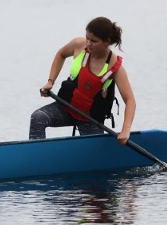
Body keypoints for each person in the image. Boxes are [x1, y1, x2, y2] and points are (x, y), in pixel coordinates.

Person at [29, 16, 136, 145]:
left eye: (94, 41)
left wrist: (125, 130)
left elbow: (130, 101)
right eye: (87, 38)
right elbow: (61, 54)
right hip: (66, 108)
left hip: (90, 119)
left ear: (107, 41)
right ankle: (38, 156)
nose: (88, 43)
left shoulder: (116, 68)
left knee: (94, 151)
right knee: (38, 117)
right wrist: (51, 81)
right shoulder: (79, 45)